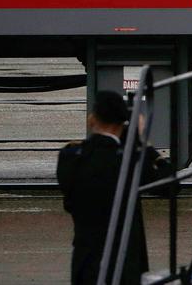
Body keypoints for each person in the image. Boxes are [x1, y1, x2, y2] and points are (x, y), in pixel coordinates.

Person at [57, 90, 172, 285]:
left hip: (85, 260)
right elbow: (170, 185)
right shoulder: (130, 160)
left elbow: (69, 201)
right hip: (125, 261)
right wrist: (144, 145)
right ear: (123, 124)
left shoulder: (71, 155)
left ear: (92, 119)